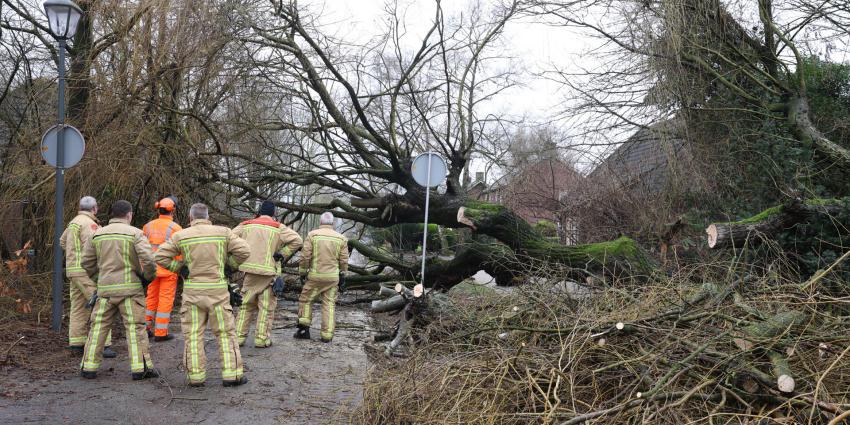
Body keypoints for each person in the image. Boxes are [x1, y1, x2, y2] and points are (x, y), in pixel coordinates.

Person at [155, 203, 251, 387]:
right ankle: (232, 376)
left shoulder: (181, 235)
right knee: (225, 333)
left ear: (190, 218)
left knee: (193, 335)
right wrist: (229, 266)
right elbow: (244, 251)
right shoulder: (223, 232)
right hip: (218, 292)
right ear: (208, 217)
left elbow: (160, 256)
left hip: (193, 293)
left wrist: (180, 268)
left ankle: (196, 377)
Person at [79, 200, 158, 380]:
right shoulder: (135, 234)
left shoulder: (97, 234)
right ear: (129, 214)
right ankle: (140, 368)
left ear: (111, 214)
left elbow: (86, 263)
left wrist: (99, 278)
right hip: (130, 291)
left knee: (98, 327)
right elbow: (149, 261)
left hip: (105, 291)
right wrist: (147, 278)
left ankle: (88, 367)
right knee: (135, 328)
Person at [233, 200, 303, 348]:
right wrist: (282, 253)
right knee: (266, 308)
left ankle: (238, 338)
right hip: (269, 274)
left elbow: (229, 239)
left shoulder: (246, 225)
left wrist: (236, 259)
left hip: (249, 272)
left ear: (259, 212)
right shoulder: (278, 227)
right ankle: (261, 339)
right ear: (274, 213)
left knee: (245, 306)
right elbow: (297, 240)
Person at [59, 196, 115, 358]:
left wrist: (73, 254)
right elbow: (96, 243)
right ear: (94, 208)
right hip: (86, 271)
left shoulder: (74, 222)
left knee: (77, 307)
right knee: (102, 303)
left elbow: (62, 242)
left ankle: (77, 343)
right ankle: (103, 345)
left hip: (73, 271)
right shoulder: (89, 224)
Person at [295, 212, 349, 343]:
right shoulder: (341, 238)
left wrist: (302, 272)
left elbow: (305, 257)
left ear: (320, 222)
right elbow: (344, 260)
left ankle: (303, 330)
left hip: (315, 277)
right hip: (332, 278)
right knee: (329, 304)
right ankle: (327, 335)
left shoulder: (312, 235)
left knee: (306, 300)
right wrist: (343, 275)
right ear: (332, 223)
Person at [142, 196, 183, 341]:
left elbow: (143, 248)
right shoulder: (176, 228)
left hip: (151, 270)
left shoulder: (147, 226)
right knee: (165, 300)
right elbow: (179, 252)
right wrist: (180, 268)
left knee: (151, 298)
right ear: (173, 210)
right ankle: (160, 333)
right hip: (168, 270)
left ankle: (145, 328)